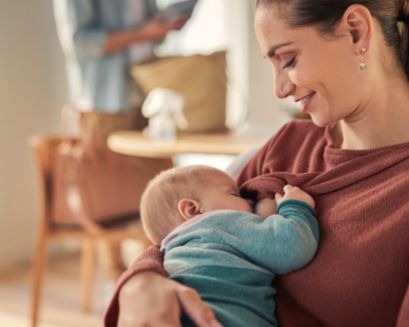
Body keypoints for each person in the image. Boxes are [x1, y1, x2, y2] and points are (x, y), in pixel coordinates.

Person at [105, 1, 409, 326]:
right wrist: (139, 282)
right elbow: (189, 233)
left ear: (356, 31)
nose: (279, 89)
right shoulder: (288, 145)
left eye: (289, 60)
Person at [52, 0, 194, 279]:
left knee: (161, 188)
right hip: (104, 101)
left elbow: (152, 26)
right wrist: (144, 33)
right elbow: (80, 42)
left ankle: (161, 270)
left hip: (149, 92)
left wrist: (164, 24)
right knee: (109, 197)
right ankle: (117, 282)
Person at [140, 165, 318, 327]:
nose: (249, 202)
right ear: (193, 209)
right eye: (234, 194)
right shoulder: (220, 222)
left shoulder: (170, 252)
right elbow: (291, 248)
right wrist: (296, 207)